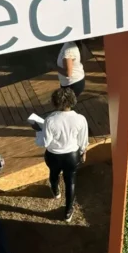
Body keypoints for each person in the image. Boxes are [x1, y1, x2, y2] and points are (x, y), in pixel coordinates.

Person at [35, 87, 88, 222]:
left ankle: (56, 192)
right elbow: (83, 140)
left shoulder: (50, 120)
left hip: (53, 156)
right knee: (70, 181)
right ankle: (68, 212)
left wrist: (38, 133)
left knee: (53, 174)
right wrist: (83, 152)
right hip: (72, 156)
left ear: (55, 102)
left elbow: (45, 142)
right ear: (73, 101)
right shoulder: (80, 119)